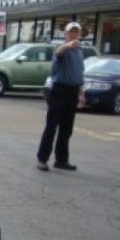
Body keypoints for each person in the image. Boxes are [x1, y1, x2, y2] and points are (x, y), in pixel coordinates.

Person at [36, 21, 85, 171]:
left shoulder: (80, 52)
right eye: (71, 32)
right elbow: (59, 52)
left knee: (66, 128)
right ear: (66, 34)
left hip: (72, 91)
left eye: (76, 32)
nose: (73, 34)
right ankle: (42, 159)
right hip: (59, 91)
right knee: (51, 126)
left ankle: (61, 160)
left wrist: (81, 94)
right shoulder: (63, 49)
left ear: (80, 34)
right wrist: (69, 45)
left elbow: (79, 74)